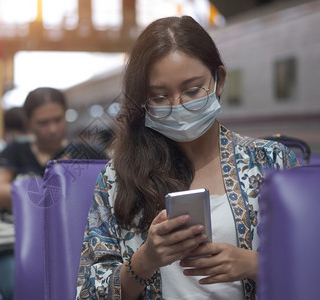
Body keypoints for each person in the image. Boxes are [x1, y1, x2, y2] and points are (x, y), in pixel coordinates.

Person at [76, 16, 298, 300]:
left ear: (219, 81)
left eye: (193, 90)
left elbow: (310, 263)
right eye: (159, 97)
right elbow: (88, 293)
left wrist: (254, 264)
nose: (178, 107)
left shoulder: (271, 163)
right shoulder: (117, 178)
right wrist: (143, 262)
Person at [0, 87, 107, 299]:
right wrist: (64, 189)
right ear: (29, 123)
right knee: (22, 287)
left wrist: (32, 191)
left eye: (58, 120)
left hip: (77, 246)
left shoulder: (88, 153)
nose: (52, 129)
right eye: (43, 123)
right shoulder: (17, 151)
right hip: (16, 246)